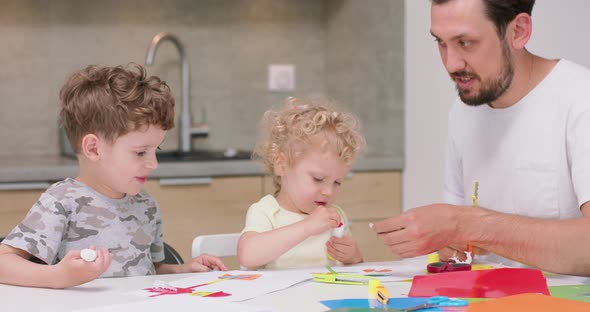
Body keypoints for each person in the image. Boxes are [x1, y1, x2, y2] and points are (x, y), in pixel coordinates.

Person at [372, 0, 590, 276]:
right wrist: (450, 241)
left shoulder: (581, 100)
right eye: (441, 42)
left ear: (518, 31)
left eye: (465, 42)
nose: (451, 64)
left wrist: (468, 224)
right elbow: (459, 242)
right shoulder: (463, 112)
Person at [0, 64, 227, 289]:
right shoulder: (61, 202)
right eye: (140, 152)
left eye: (155, 150)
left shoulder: (146, 205)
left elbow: (149, 269)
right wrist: (59, 276)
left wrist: (182, 270)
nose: (154, 163)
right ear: (93, 149)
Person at [237, 97, 366, 269]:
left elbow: (352, 272)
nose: (328, 191)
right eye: (318, 179)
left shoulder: (335, 216)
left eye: (337, 182)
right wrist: (307, 226)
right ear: (281, 164)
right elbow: (247, 255)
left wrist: (353, 257)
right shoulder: (267, 212)